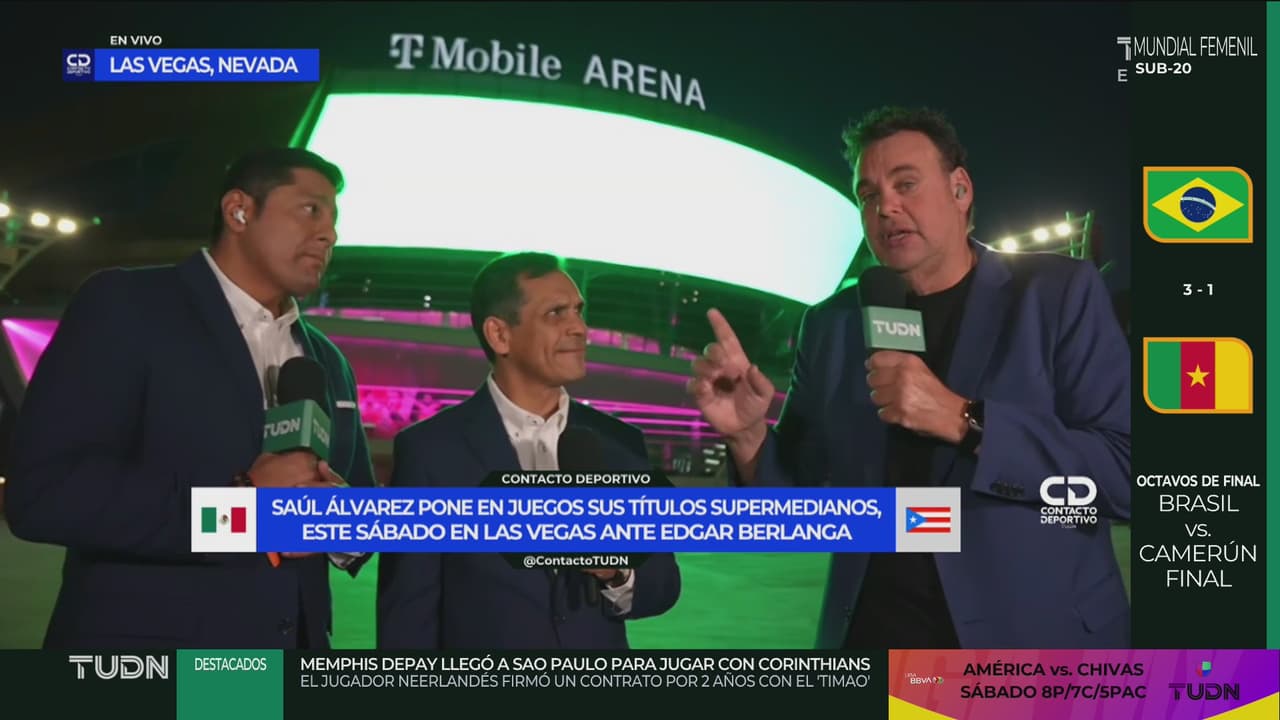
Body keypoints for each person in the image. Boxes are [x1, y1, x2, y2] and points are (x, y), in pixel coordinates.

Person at [687, 107, 1130, 649]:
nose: (886, 207)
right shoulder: (832, 325)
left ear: (960, 190)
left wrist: (967, 420)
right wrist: (748, 435)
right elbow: (793, 505)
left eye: (906, 184)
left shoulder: (1056, 295)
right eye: (868, 195)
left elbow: (1123, 473)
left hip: (1030, 643)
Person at [5, 147, 374, 649]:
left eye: (334, 218)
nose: (329, 233)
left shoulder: (328, 362)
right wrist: (241, 513)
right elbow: (45, 496)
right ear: (239, 210)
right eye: (311, 209)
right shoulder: (128, 307)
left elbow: (356, 508)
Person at [377, 252, 681, 649]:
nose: (579, 328)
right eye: (556, 313)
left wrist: (615, 571)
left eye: (578, 311)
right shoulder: (430, 452)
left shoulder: (620, 443)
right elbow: (407, 622)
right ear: (499, 334)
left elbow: (662, 583)